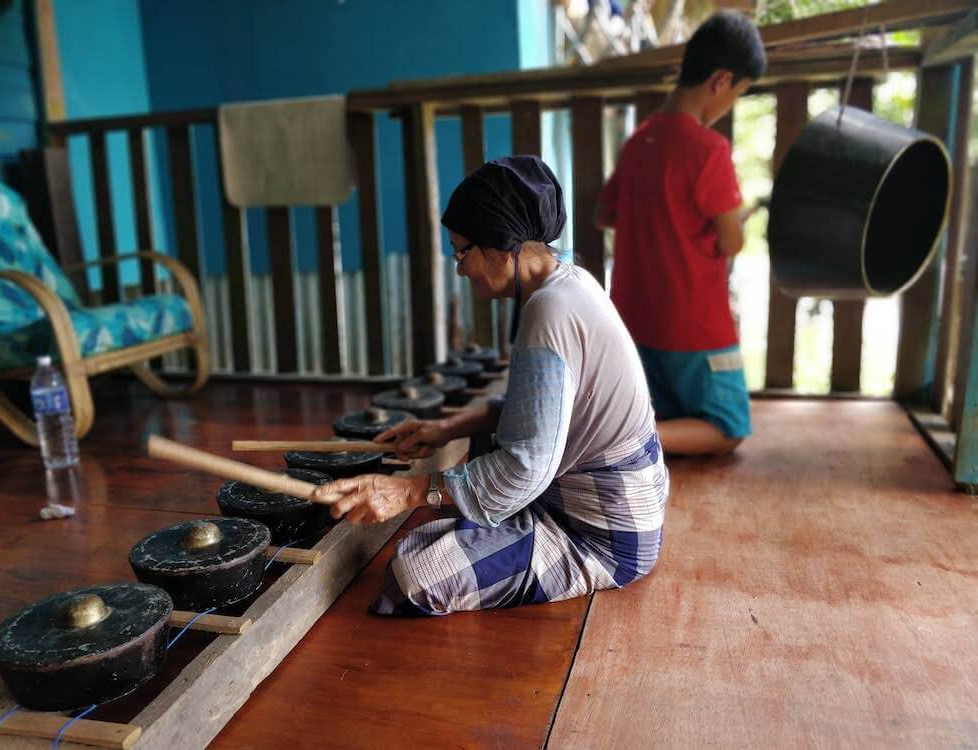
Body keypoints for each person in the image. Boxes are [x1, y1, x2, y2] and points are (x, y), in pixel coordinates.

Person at [310, 156, 669, 616]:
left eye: (463, 251)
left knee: (413, 577)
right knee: (446, 507)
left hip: (603, 537)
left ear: (504, 245)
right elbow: (539, 407)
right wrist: (446, 428)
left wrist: (409, 491)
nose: (460, 268)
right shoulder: (570, 282)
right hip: (618, 506)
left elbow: (526, 467)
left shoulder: (549, 312)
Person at [596, 10, 766, 455]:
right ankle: (625, 442)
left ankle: (634, 432)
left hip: (635, 320)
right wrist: (736, 218)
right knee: (729, 428)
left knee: (669, 409)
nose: (730, 105)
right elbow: (732, 242)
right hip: (694, 324)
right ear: (721, 81)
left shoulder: (640, 141)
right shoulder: (709, 148)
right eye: (739, 94)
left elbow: (604, 214)